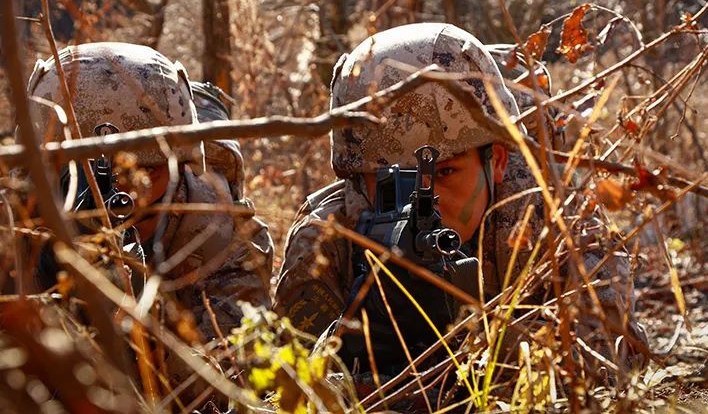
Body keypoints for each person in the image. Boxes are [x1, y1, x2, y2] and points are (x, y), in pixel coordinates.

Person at [274, 23, 647, 381]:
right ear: (359, 180)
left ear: (497, 161)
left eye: (445, 173)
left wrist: (479, 348)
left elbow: (610, 363)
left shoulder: (549, 214)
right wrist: (353, 348)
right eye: (395, 182)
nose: (425, 202)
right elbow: (289, 387)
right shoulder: (328, 241)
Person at [0, 42, 273, 345]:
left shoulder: (217, 230)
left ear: (179, 162)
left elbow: (236, 373)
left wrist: (139, 338)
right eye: (74, 172)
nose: (117, 191)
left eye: (143, 171)